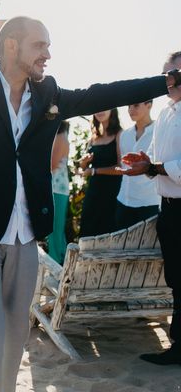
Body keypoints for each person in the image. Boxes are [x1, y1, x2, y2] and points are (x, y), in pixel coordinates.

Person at [0, 16, 179, 392]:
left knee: (13, 343)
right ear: (11, 46)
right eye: (40, 46)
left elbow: (101, 93)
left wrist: (164, 82)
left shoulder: (47, 94)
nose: (48, 55)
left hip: (26, 239)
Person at [121, 51, 181, 366]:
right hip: (168, 207)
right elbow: (156, 157)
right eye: (164, 74)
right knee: (176, 278)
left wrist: (153, 167)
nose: (167, 80)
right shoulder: (168, 114)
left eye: (173, 73)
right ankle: (178, 346)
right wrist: (142, 163)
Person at [114, 101, 159, 229]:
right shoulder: (124, 135)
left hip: (150, 203)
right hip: (123, 201)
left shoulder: (158, 132)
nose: (130, 110)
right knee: (121, 247)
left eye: (136, 105)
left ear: (149, 105)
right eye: (128, 106)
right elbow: (122, 165)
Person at [78, 109, 122, 237]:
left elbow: (121, 167)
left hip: (112, 194)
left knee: (107, 233)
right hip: (93, 192)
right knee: (87, 232)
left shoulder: (119, 134)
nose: (100, 111)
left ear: (112, 110)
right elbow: (82, 167)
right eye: (97, 107)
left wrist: (94, 171)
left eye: (105, 107)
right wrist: (84, 162)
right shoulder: (93, 137)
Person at [47, 120, 69, 264]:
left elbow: (52, 164)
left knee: (55, 230)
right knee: (55, 230)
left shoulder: (60, 136)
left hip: (57, 189)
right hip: (55, 188)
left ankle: (55, 265)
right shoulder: (57, 135)